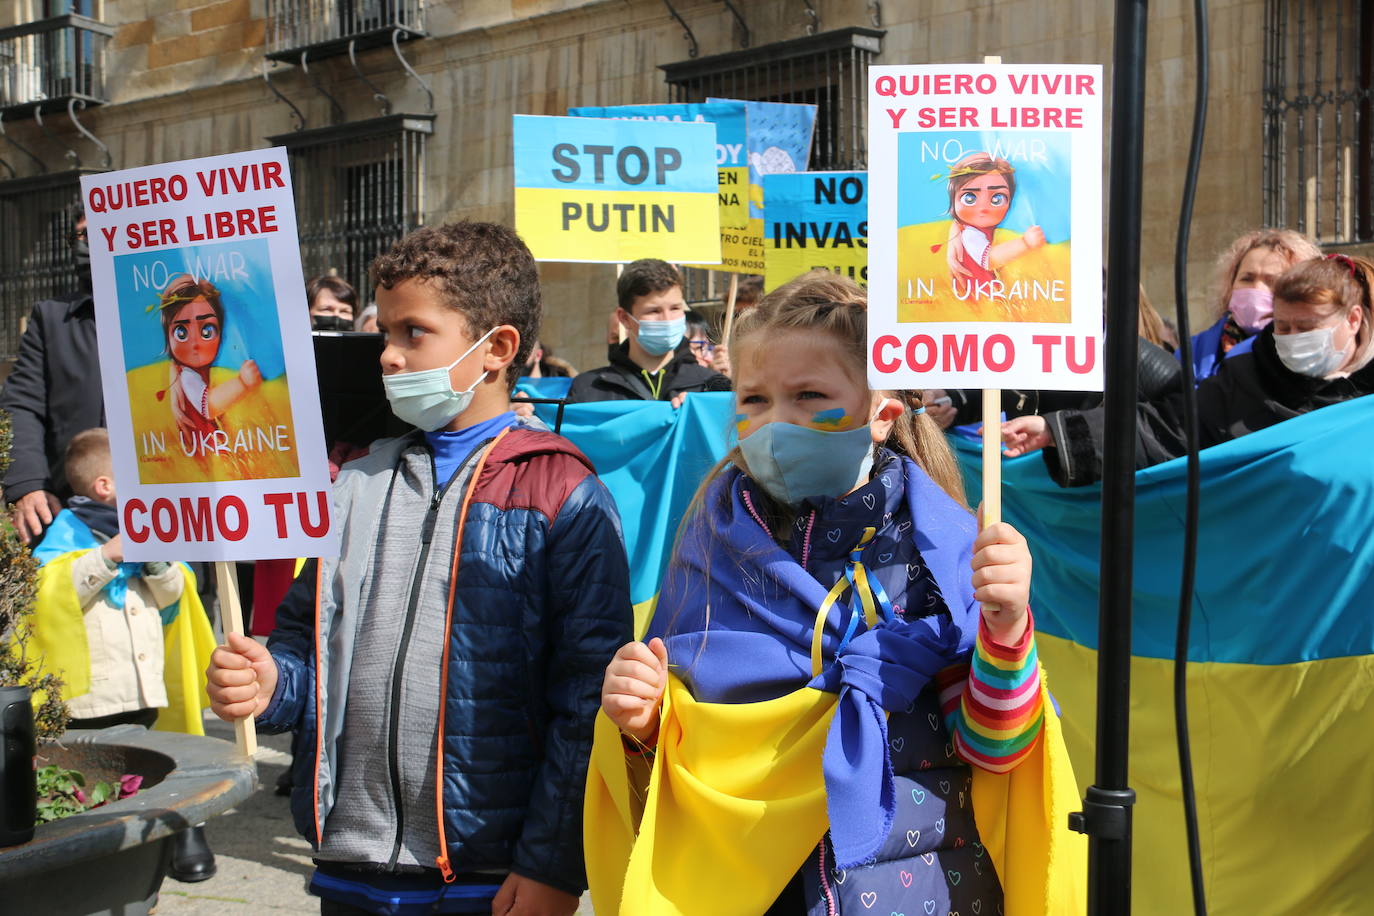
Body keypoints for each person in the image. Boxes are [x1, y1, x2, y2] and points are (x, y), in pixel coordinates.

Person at [589, 273, 1082, 915]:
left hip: (926, 893)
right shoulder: (708, 547)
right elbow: (680, 766)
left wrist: (1007, 625)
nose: (774, 422)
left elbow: (995, 745)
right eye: (755, 400)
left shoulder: (947, 554)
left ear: (880, 413)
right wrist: (643, 720)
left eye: (809, 395)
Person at [205, 221, 633, 916]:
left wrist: (555, 864)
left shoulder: (561, 492)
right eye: (384, 335)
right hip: (350, 860)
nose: (389, 357)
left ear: (495, 348)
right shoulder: (351, 482)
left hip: (487, 873)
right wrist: (271, 682)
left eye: (414, 333)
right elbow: (307, 647)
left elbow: (587, 702)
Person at [1001, 254, 1374, 486]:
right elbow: (1167, 428)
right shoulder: (1250, 377)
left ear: (1354, 319)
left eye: (1306, 328)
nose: (1291, 339)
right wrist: (1056, 431)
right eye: (1283, 327)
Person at [31, 428, 219, 882]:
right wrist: (108, 556)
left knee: (153, 765)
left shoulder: (154, 529)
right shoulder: (68, 533)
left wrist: (159, 562)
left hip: (144, 686)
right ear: (105, 487)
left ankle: (179, 832)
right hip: (91, 695)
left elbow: (178, 595)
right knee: (95, 779)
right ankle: (94, 851)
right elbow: (49, 591)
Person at [1, 206, 103, 545]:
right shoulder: (52, 319)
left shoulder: (171, 313)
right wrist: (28, 484)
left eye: (96, 232)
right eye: (80, 235)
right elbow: (21, 405)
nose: (85, 245)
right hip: (70, 518)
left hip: (168, 516)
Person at [567, 259, 729, 404]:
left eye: (675, 308)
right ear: (624, 318)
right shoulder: (589, 390)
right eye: (654, 311)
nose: (667, 319)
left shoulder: (710, 387)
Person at [1186, 228, 1321, 381]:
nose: (1256, 288)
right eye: (1247, 279)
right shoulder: (1193, 351)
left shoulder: (1310, 354)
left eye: (1272, 281)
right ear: (1230, 284)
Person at [156, 275, 263, 439]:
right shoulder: (187, 376)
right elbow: (209, 407)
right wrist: (242, 383)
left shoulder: (189, 372)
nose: (195, 343)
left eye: (206, 331)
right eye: (181, 333)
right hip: (203, 452)